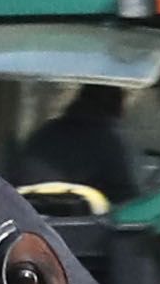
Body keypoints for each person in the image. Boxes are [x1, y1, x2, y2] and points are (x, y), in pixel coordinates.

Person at [10, 82, 141, 206]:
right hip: (83, 222)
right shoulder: (108, 141)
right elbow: (126, 196)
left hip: (31, 215)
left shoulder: (45, 133)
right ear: (116, 105)